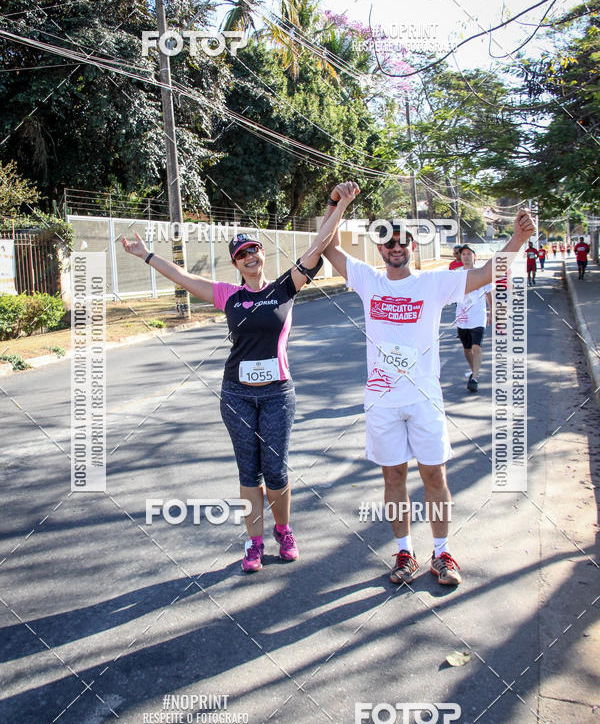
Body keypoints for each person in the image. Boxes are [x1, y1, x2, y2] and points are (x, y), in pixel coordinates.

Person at [122, 181, 360, 573]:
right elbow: (181, 276)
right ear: (236, 264)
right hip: (236, 395)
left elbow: (319, 245)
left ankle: (283, 530)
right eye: (241, 255)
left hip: (278, 394)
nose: (249, 257)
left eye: (253, 250)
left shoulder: (286, 286)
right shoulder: (227, 296)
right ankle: (254, 542)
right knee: (249, 472)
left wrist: (340, 205)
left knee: (276, 470)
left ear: (262, 254)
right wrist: (145, 254)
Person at [323, 210, 535, 588]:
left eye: (403, 241)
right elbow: (329, 246)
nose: (396, 247)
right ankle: (405, 552)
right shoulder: (368, 280)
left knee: (435, 475)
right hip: (383, 401)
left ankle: (442, 552)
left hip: (424, 399)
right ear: (380, 248)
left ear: (413, 246)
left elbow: (488, 273)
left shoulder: (434, 283)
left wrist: (518, 239)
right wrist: (335, 203)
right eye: (388, 242)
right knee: (393, 477)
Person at [454, 245, 493, 394]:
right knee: (467, 350)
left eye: (469, 253)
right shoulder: (456, 275)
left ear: (474, 256)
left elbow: (489, 293)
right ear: (460, 257)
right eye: (463, 254)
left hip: (478, 317)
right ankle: (474, 371)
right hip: (462, 318)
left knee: (476, 347)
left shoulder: (481, 274)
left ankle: (475, 378)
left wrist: (492, 312)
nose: (466, 256)